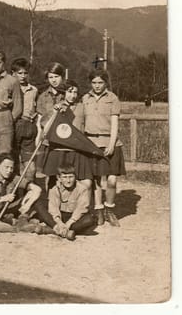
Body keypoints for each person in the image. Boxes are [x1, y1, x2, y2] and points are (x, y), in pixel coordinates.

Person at [83, 69, 126, 227]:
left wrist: (111, 143)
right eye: (94, 82)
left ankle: (109, 209)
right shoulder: (85, 98)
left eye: (100, 82)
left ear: (106, 83)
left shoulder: (112, 98)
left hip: (110, 142)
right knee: (95, 179)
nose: (97, 86)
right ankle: (98, 210)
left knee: (112, 180)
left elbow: (115, 123)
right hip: (91, 144)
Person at [38, 80, 94, 190]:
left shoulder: (82, 107)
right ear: (63, 92)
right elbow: (46, 130)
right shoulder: (56, 107)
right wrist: (55, 113)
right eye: (70, 92)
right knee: (55, 181)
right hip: (58, 149)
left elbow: (87, 126)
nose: (73, 95)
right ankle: (54, 204)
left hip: (76, 149)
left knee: (83, 181)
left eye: (75, 92)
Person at [33, 163, 96, 240]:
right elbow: (53, 209)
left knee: (90, 220)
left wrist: (68, 223)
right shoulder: (54, 189)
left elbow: (81, 209)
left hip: (74, 218)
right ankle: (58, 228)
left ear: (75, 177)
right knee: (39, 204)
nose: (68, 181)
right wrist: (59, 223)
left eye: (71, 177)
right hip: (59, 217)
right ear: (59, 178)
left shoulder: (82, 189)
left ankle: (51, 230)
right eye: (65, 177)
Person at [0, 153, 42, 231]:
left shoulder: (14, 177)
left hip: (10, 208)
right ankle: (13, 222)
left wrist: (27, 205)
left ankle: (20, 219)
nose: (9, 171)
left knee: (31, 193)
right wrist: (2, 199)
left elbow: (37, 189)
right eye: (6, 167)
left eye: (11, 168)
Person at [36, 62, 67, 181]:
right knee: (49, 173)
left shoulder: (68, 94)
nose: (54, 80)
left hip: (64, 138)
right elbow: (40, 119)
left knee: (64, 171)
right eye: (51, 77)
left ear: (62, 77)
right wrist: (39, 136)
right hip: (48, 139)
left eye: (56, 76)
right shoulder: (43, 96)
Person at [11, 57, 39, 183]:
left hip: (29, 127)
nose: (23, 76)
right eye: (19, 73)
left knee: (31, 167)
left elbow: (37, 109)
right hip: (14, 126)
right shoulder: (11, 88)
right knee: (14, 164)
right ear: (13, 73)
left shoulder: (33, 90)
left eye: (25, 73)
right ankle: (14, 195)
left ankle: (30, 193)